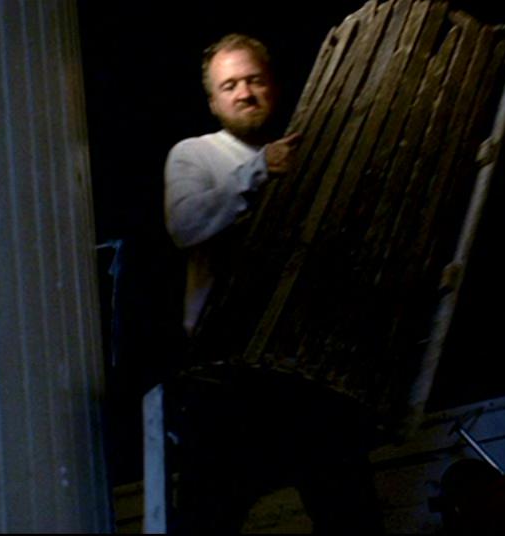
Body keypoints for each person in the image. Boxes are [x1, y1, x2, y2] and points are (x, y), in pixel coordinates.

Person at [162, 34, 385, 534]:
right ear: (213, 102)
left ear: (274, 87)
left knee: (350, 512)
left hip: (306, 371)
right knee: (207, 517)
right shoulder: (195, 155)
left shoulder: (308, 153)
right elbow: (184, 225)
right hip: (228, 378)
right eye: (229, 86)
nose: (244, 93)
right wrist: (259, 171)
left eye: (254, 80)